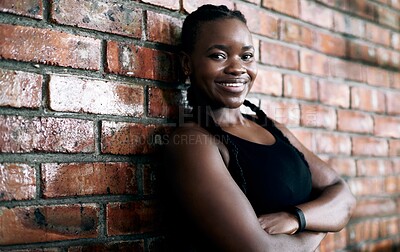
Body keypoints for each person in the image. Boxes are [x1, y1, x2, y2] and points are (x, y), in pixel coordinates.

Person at [164, 4, 356, 252]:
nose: (237, 68)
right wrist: (320, 228)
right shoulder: (193, 144)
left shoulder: (272, 127)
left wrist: (296, 218)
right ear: (187, 63)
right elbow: (260, 249)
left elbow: (343, 196)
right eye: (219, 56)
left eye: (246, 56)